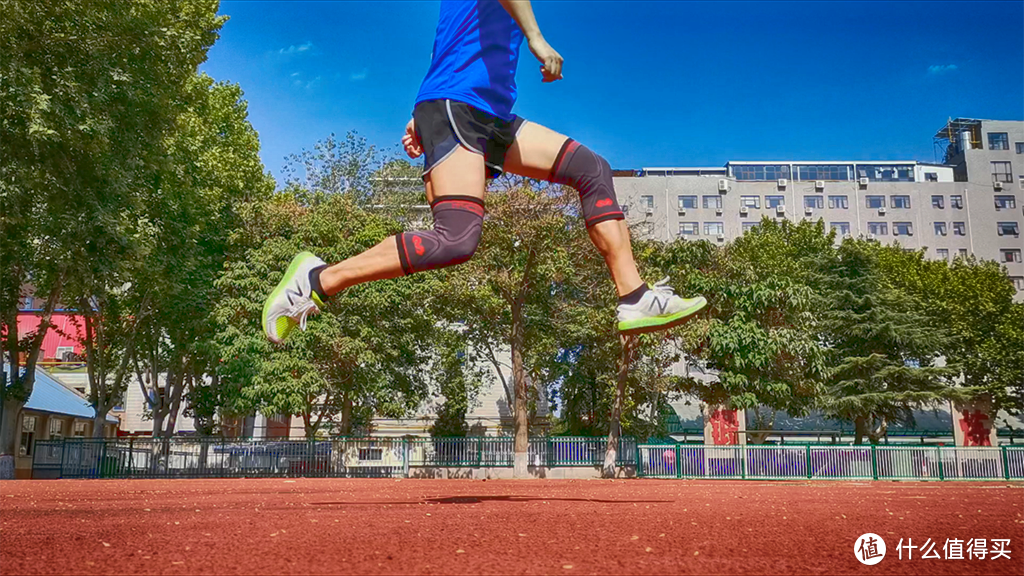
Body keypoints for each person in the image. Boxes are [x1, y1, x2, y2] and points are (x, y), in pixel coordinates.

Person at [262, 0, 706, 344]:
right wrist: (535, 37)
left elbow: (448, 40)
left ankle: (634, 297)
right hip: (460, 107)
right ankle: (318, 279)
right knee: (456, 238)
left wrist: (421, 112)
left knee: (591, 168)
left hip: (484, 114)